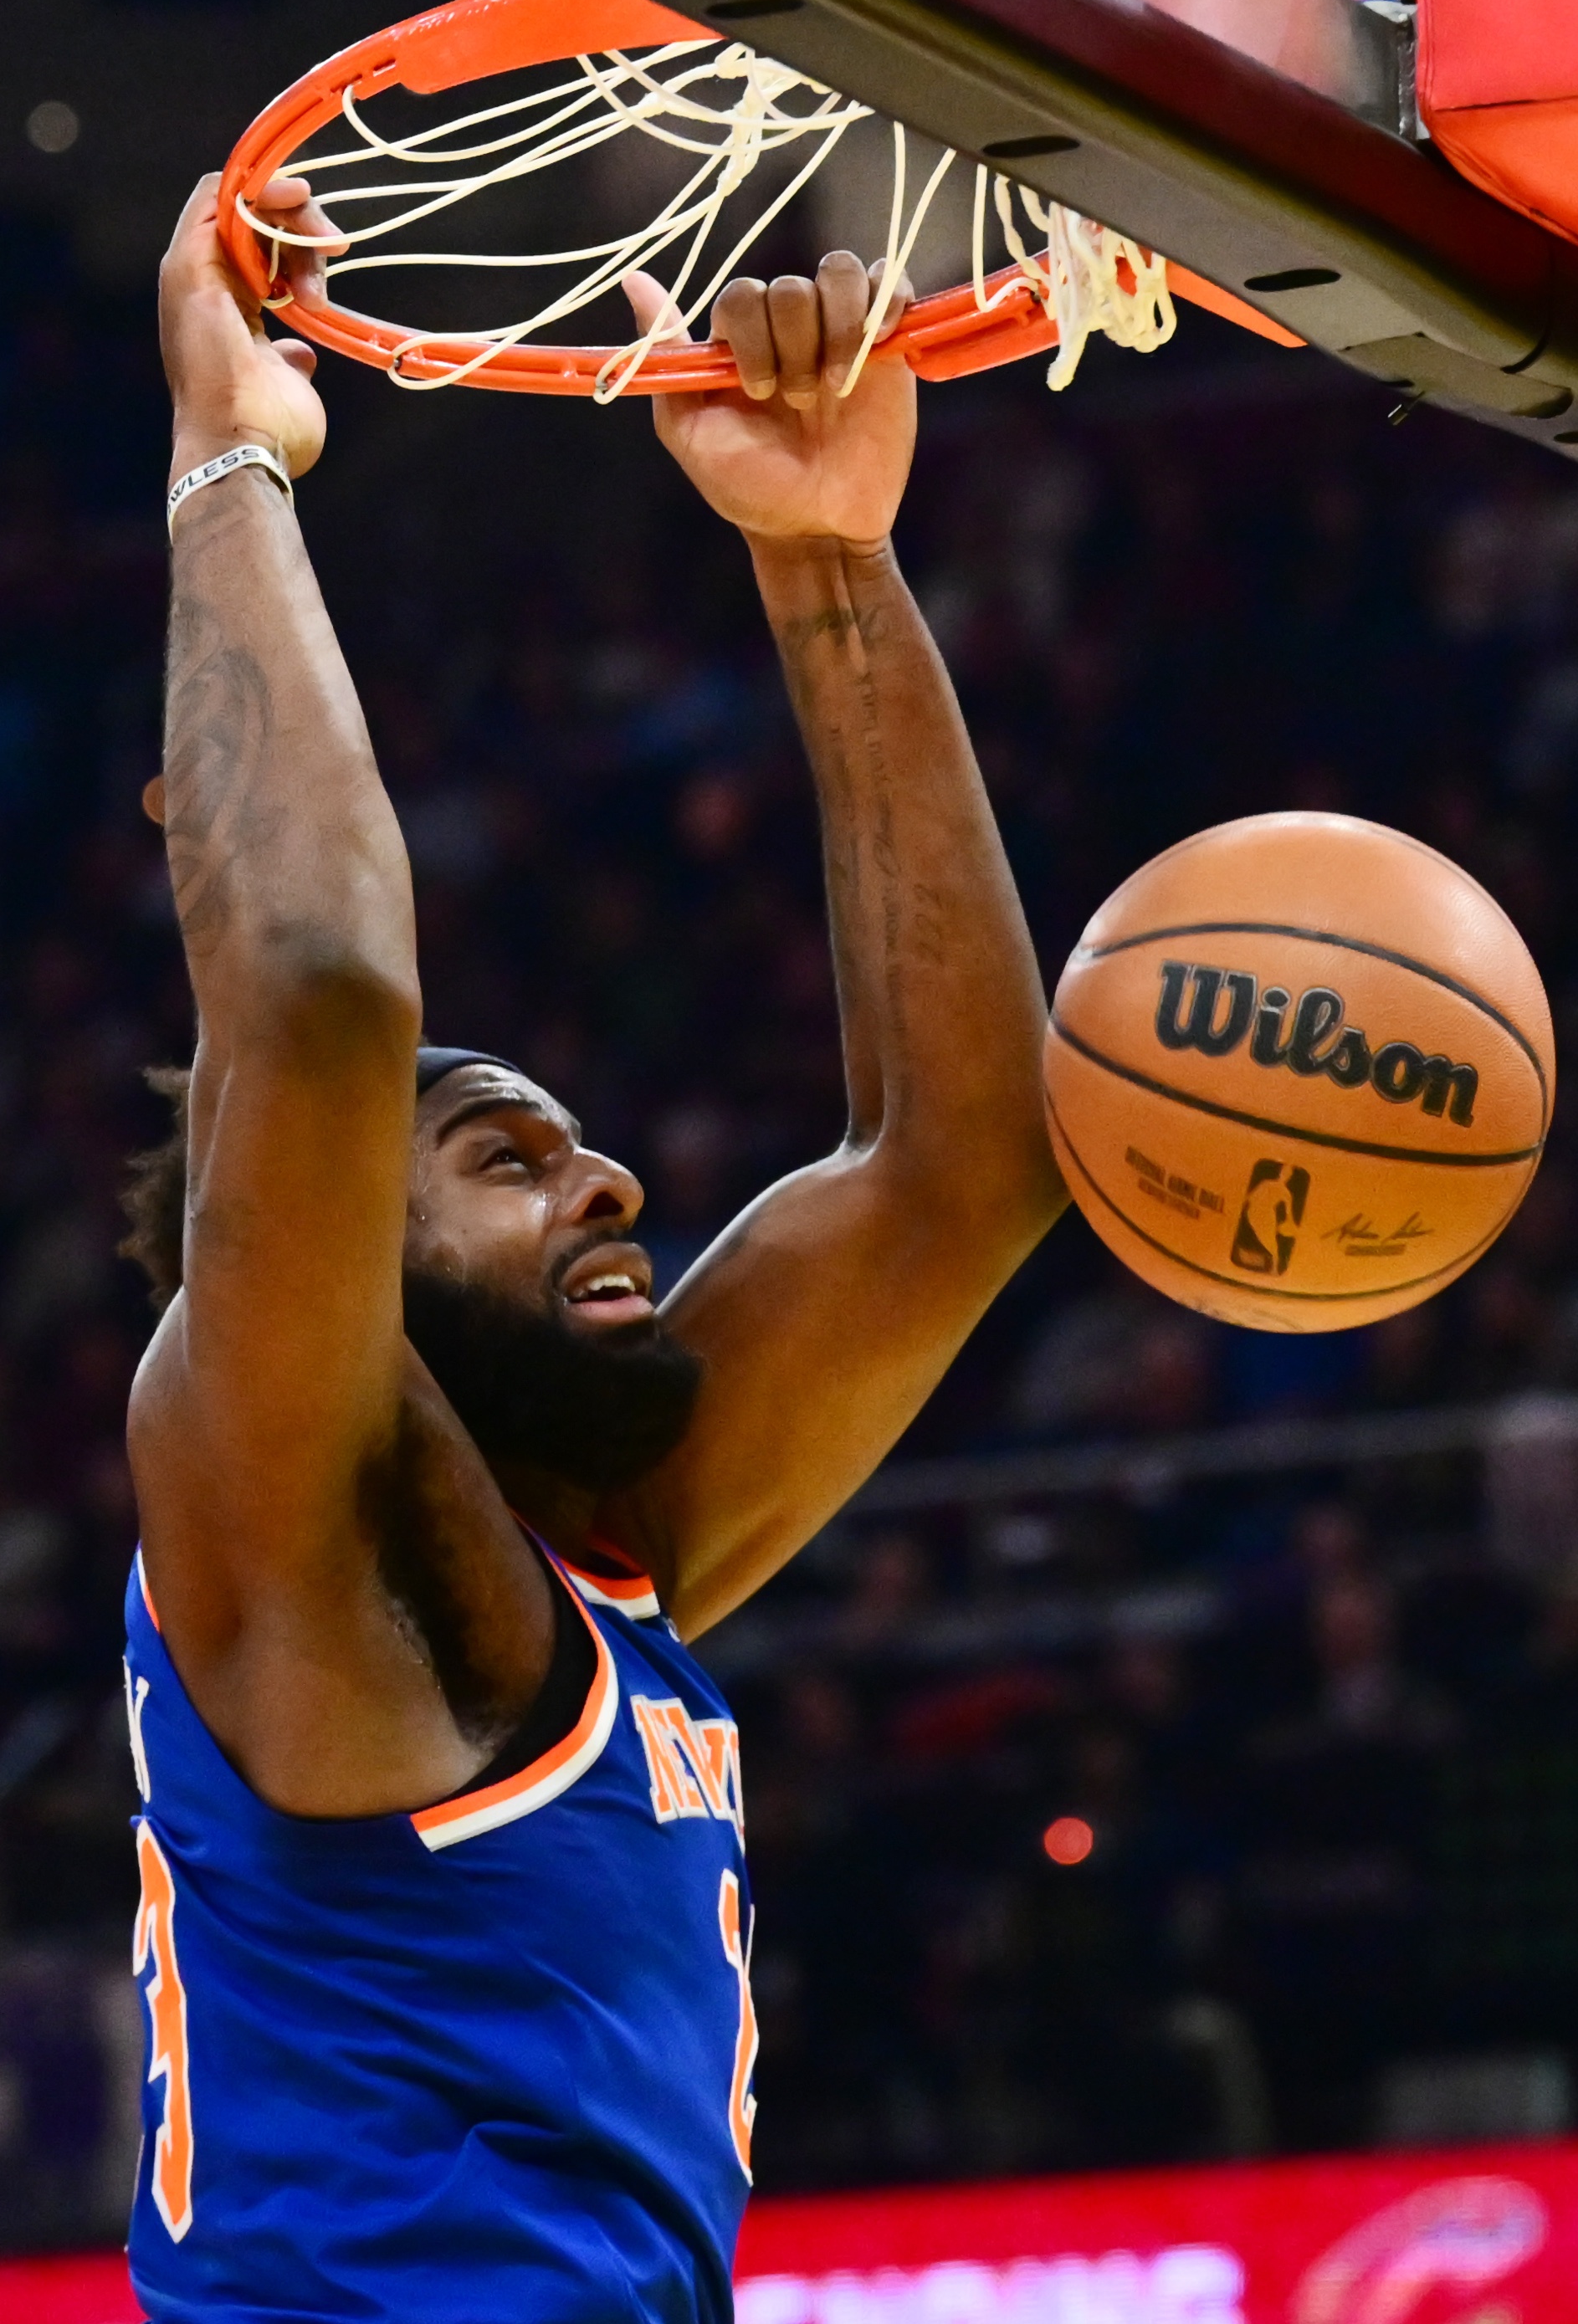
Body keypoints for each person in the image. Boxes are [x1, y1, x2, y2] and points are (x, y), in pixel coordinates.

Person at [113, 177, 1059, 2317]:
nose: (611, 1181)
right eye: (504, 1157)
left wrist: (827, 556)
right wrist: (229, 455)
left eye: (571, 1145)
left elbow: (965, 1165)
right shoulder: (291, 1506)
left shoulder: (597, 1559)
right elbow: (319, 999)